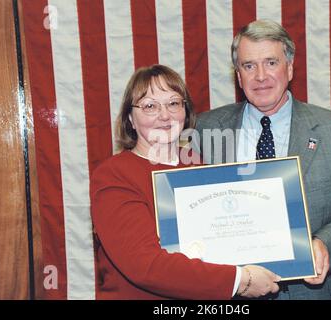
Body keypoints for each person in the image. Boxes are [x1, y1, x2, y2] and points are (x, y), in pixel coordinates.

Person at [195, 20, 331, 299]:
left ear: (290, 68)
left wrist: (325, 245)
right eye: (249, 66)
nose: (261, 76)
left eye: (271, 62)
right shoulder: (206, 129)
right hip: (233, 293)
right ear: (238, 76)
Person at [90, 64, 280, 299]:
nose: (164, 115)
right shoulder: (114, 175)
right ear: (130, 118)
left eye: (173, 103)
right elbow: (144, 266)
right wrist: (240, 280)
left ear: (185, 111)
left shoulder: (198, 167)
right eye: (150, 106)